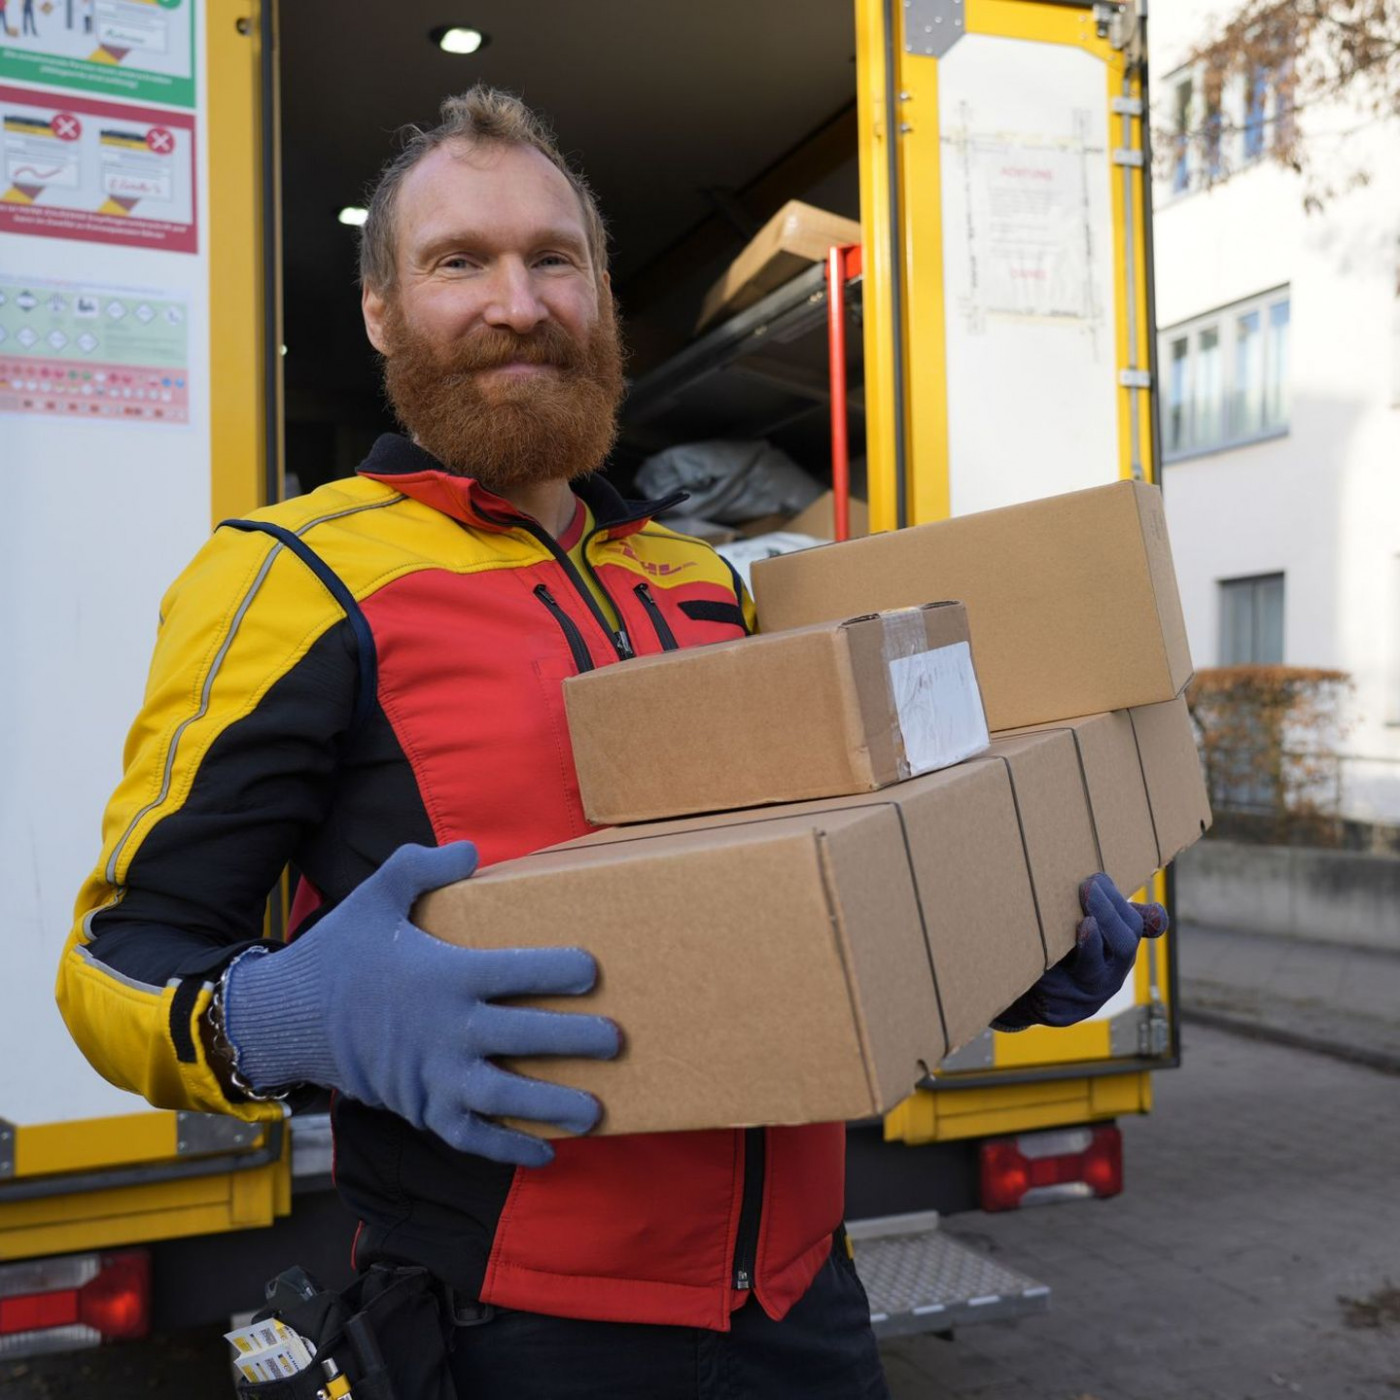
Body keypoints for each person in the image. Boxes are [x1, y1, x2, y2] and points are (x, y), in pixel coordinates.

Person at [57, 85, 1168, 1399]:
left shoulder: (704, 581)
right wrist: (283, 1018)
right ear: (380, 311)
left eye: (553, 259)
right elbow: (116, 963)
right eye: (458, 261)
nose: (518, 303)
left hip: (806, 1304)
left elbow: (815, 895)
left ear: (599, 297)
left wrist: (1007, 952)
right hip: (510, 1337)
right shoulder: (291, 578)